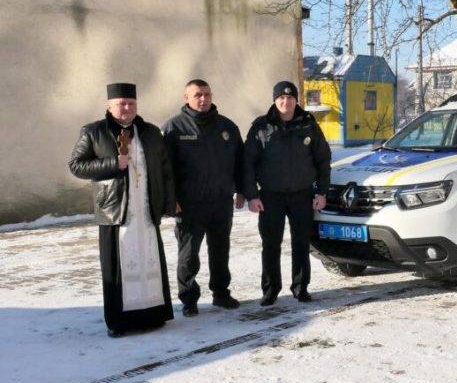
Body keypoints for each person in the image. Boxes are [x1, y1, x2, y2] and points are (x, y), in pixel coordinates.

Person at [68, 83, 175, 338]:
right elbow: (76, 165)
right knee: (118, 267)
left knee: (149, 261)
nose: (127, 108)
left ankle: (153, 315)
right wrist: (112, 163)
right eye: (121, 103)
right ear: (109, 106)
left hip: (146, 208)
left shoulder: (149, 132)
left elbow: (165, 169)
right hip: (115, 209)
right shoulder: (94, 131)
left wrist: (169, 202)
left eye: (131, 103)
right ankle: (120, 322)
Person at [243, 81, 331, 306]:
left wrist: (321, 192)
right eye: (281, 97)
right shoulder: (261, 126)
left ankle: (301, 288)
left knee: (301, 243)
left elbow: (323, 160)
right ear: (274, 100)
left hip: (301, 195)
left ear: (296, 100)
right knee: (271, 244)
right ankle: (271, 289)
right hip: (270, 196)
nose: (286, 102)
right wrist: (252, 195)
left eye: (290, 98)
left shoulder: (308, 125)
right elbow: (248, 163)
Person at [162, 79, 245, 317]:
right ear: (186, 97)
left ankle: (221, 293)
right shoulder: (174, 128)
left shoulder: (227, 127)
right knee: (188, 255)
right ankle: (189, 299)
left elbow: (240, 162)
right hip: (189, 205)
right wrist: (171, 199)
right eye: (197, 94)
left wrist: (241, 190)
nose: (203, 99)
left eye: (207, 94)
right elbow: (165, 169)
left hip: (221, 201)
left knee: (220, 250)